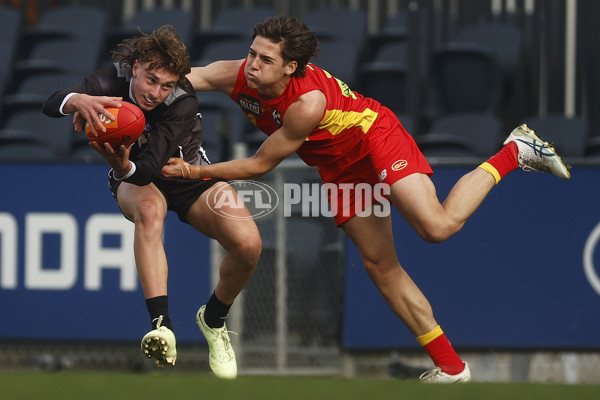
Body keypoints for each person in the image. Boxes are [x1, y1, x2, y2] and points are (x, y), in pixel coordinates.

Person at [161, 16, 571, 383]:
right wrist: (114, 99)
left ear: (290, 67)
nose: (252, 65)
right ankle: (452, 368)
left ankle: (513, 151)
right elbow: (172, 82)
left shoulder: (307, 103)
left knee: (437, 227)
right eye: (251, 53)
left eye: (265, 60)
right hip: (341, 170)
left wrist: (195, 172)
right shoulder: (234, 74)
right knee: (379, 265)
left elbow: (258, 165)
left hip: (374, 139)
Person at [43, 25, 260, 379]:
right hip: (135, 177)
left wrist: (125, 163)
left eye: (166, 85)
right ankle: (162, 326)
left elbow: (148, 165)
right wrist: (77, 99)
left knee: (249, 244)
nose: (156, 93)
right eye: (152, 80)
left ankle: (214, 320)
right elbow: (51, 103)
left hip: (186, 173)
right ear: (136, 67)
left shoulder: (183, 100)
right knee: (148, 210)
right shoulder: (110, 80)